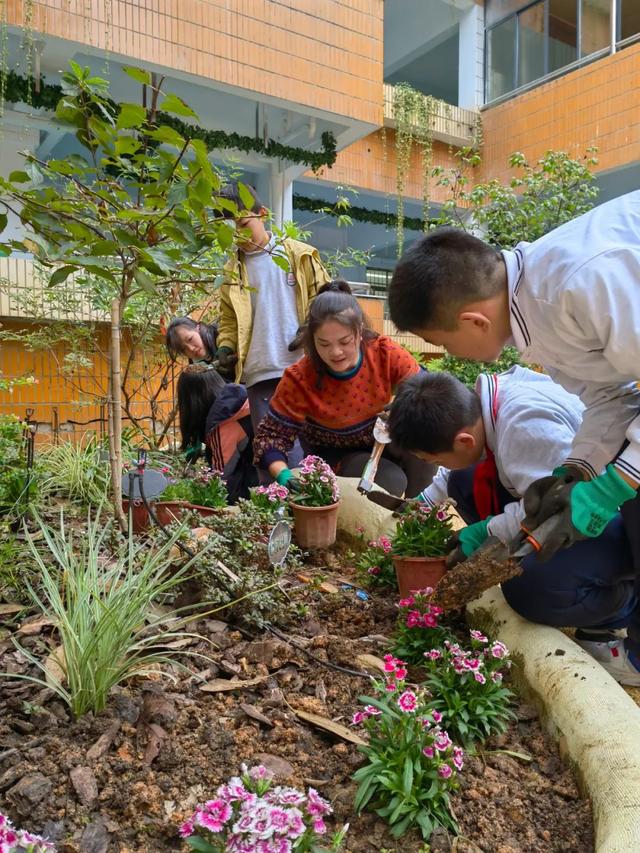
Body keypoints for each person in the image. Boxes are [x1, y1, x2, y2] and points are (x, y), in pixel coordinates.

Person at [387, 192, 640, 684]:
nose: (449, 356)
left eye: (441, 343)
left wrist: (612, 486)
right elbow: (613, 397)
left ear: (473, 321)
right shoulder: (536, 315)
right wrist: (579, 469)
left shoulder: (579, 283)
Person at [387, 367, 635, 655]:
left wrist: (485, 532)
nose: (430, 463)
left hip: (610, 515)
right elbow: (453, 473)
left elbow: (552, 507)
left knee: (529, 589)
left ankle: (624, 605)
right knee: (463, 479)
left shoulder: (526, 427)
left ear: (464, 440)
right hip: (566, 499)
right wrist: (421, 505)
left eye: (427, 458)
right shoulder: (483, 407)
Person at [253, 280, 434, 497]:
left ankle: (420, 513)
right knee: (390, 479)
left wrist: (403, 405)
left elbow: (425, 392)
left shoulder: (385, 353)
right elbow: (269, 438)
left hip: (390, 441)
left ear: (359, 332)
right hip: (339, 460)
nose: (336, 352)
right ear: (312, 340)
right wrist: (284, 475)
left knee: (425, 440)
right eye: (324, 344)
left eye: (345, 341)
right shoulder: (300, 378)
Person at [214, 181, 331, 479]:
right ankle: (279, 520)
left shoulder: (300, 255)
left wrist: (310, 331)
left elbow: (327, 300)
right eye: (230, 229)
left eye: (243, 224)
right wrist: (226, 348)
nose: (238, 234)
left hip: (306, 368)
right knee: (272, 454)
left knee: (319, 452)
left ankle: (327, 516)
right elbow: (228, 319)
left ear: (262, 213)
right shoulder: (231, 272)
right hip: (261, 373)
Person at [177, 364, 257, 503]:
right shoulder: (239, 397)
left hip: (258, 483)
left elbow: (220, 476)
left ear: (191, 401)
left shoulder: (221, 422)